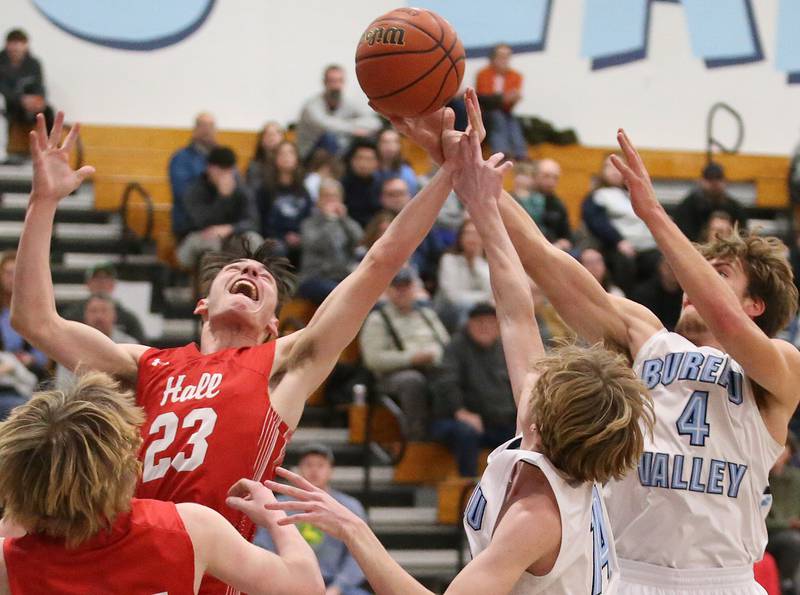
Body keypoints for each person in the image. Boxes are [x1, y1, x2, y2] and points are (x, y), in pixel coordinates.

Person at [13, 104, 467, 595]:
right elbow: (35, 321)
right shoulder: (145, 364)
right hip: (125, 554)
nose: (251, 272)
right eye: (238, 269)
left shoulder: (283, 365)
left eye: (265, 277)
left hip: (215, 571)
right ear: (202, 304)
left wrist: (445, 174)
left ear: (273, 325)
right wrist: (43, 202)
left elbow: (378, 264)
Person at [263, 120, 652, 593]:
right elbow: (515, 313)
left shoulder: (537, 517)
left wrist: (353, 529)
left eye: (548, 385)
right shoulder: (550, 448)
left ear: (548, 420)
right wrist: (482, 202)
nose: (536, 379)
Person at [488, 128, 800, 594]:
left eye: (719, 274)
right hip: (629, 575)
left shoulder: (781, 366)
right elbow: (552, 267)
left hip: (722, 581)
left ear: (756, 303)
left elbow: (730, 325)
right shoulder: (645, 335)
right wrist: (479, 182)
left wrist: (653, 212)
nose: (693, 281)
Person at [0, 371, 324, 595]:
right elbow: (307, 587)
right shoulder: (189, 528)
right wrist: (275, 516)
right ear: (124, 467)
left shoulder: (10, 559)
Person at [255, 443, 369, 595]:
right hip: (287, 581)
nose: (314, 470)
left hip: (334, 584)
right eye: (308, 464)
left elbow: (359, 556)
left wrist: (336, 588)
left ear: (330, 471)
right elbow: (263, 547)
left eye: (320, 465)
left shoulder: (349, 507)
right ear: (298, 470)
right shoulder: (277, 505)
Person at [359, 266, 450, 440]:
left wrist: (434, 355)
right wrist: (411, 358)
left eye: (406, 287)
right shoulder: (378, 319)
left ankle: (449, 431)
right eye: (397, 287)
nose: (402, 292)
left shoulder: (427, 314)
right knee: (412, 381)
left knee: (452, 376)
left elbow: (446, 345)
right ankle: (416, 438)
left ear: (414, 289)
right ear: (388, 291)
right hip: (392, 375)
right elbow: (373, 359)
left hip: (432, 366)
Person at [431, 303, 516, 477]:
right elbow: (447, 382)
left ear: (498, 326)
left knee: (524, 436)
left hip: (499, 421)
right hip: (457, 418)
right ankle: (467, 487)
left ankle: (515, 487)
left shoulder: (504, 349)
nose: (485, 327)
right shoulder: (455, 347)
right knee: (466, 432)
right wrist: (460, 411)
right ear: (469, 324)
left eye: (490, 323)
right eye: (480, 322)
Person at [582, 154, 659, 293]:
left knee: (663, 264)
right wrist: (618, 241)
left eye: (617, 167)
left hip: (648, 247)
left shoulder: (634, 194)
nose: (613, 171)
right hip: (616, 247)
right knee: (624, 262)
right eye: (608, 167)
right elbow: (597, 222)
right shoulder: (599, 195)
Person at [175, 145, 262, 270]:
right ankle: (212, 286)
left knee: (254, 240)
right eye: (221, 170)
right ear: (209, 168)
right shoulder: (195, 190)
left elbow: (253, 221)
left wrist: (230, 228)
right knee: (212, 245)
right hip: (200, 235)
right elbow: (201, 222)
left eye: (229, 170)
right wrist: (223, 198)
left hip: (233, 234)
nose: (225, 175)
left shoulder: (241, 189)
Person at [297, 178, 363, 303]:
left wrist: (344, 219)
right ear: (318, 201)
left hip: (342, 277)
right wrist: (328, 220)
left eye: (335, 197)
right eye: (326, 196)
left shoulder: (345, 223)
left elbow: (360, 241)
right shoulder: (309, 224)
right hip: (314, 278)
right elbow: (315, 244)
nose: (331, 201)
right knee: (341, 294)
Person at [296, 64, 381, 160]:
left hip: (341, 151)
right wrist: (354, 130)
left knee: (368, 139)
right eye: (332, 81)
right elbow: (326, 126)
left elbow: (374, 122)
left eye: (339, 81)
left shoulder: (348, 103)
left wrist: (352, 127)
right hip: (311, 155)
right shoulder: (311, 106)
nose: (336, 86)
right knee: (330, 137)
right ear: (324, 83)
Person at [56, 293, 139, 387]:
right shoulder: (71, 347)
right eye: (93, 311)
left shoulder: (131, 344)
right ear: (85, 315)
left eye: (104, 311)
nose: (98, 316)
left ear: (114, 316)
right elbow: (62, 386)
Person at [61, 262, 146, 343]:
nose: (101, 283)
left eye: (106, 279)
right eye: (97, 279)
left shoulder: (129, 320)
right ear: (88, 283)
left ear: (114, 316)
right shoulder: (72, 316)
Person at [0, 29, 52, 158]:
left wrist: (39, 100)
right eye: (13, 44)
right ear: (7, 45)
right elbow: (3, 89)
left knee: (48, 112)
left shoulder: (33, 64)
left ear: (25, 45)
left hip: (30, 104)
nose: (16, 48)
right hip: (10, 104)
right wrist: (21, 100)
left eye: (20, 44)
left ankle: (48, 150)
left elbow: (39, 85)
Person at [260, 141, 312, 266]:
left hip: (299, 236)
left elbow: (308, 218)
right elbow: (262, 220)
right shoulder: (265, 188)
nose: (286, 157)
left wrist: (300, 235)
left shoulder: (303, 190)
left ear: (296, 159)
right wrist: (283, 236)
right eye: (282, 154)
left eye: (290, 153)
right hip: (274, 237)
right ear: (275, 159)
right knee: (277, 248)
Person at [434, 219, 492, 331]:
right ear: (460, 237)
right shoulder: (449, 260)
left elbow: (491, 292)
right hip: (447, 310)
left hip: (477, 309)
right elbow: (452, 297)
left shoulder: (485, 264)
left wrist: (475, 261)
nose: (472, 238)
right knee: (466, 307)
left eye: (476, 234)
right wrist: (483, 298)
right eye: (468, 233)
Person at [0, 250, 48, 379]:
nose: (12, 278)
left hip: (25, 373)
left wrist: (29, 359)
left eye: (16, 273)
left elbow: (43, 352)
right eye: (8, 273)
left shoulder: (34, 311)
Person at [169, 112, 217, 240]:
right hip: (190, 226)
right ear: (195, 129)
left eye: (211, 126)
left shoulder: (223, 158)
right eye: (203, 125)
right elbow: (183, 194)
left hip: (220, 226)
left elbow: (235, 190)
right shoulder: (181, 158)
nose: (207, 130)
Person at [475, 43, 527, 160]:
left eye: (507, 57)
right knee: (497, 118)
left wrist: (508, 99)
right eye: (501, 56)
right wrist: (503, 98)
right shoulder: (483, 74)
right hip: (487, 112)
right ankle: (501, 153)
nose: (504, 60)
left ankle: (520, 154)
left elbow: (510, 101)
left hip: (505, 111)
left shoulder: (516, 76)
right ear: (493, 58)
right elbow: (484, 99)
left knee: (513, 123)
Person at [675, 162, 747, 242]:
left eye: (718, 178)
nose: (714, 183)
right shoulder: (687, 208)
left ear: (725, 181)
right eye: (710, 179)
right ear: (700, 181)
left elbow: (743, 235)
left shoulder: (735, 209)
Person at [766, 433, 800, 594]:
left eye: (783, 447)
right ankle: (787, 586)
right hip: (766, 536)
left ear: (790, 452)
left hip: (789, 533)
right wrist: (788, 524)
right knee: (792, 540)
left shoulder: (796, 478)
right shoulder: (759, 476)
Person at [512, 160, 572, 250]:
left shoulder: (558, 205)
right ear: (534, 176)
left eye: (555, 178)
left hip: (552, 249)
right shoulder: (516, 199)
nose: (551, 182)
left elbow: (567, 238)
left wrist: (559, 245)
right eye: (546, 176)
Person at [631, 255, 682, 331]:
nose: (673, 271)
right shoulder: (644, 293)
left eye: (676, 268)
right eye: (669, 267)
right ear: (660, 267)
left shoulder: (687, 294)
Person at [341, 139, 382, 228]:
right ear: (351, 160)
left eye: (369, 159)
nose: (363, 164)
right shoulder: (341, 187)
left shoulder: (382, 187)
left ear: (377, 163)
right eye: (359, 158)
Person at [375, 127, 420, 195]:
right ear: (378, 144)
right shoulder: (370, 169)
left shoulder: (407, 173)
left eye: (395, 142)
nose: (390, 146)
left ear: (400, 146)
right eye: (385, 142)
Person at [246, 121, 286, 195]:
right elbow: (253, 192)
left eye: (275, 134)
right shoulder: (254, 165)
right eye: (267, 134)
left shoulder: (290, 162)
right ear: (262, 140)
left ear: (282, 137)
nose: (271, 137)